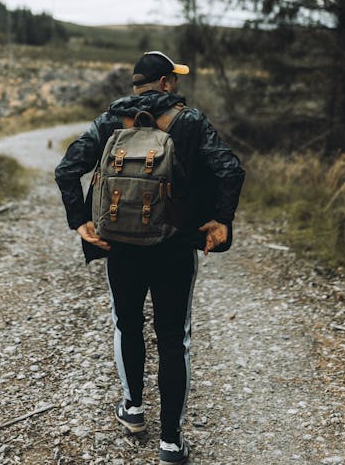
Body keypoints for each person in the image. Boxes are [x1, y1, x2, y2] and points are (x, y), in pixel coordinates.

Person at [55, 50, 245, 464]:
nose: (176, 85)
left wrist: (80, 222)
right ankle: (172, 443)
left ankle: (134, 410)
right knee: (175, 339)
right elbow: (230, 169)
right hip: (174, 248)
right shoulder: (189, 122)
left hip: (119, 247)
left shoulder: (110, 122)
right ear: (164, 83)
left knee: (127, 324)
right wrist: (220, 221)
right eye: (173, 79)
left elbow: (66, 169)